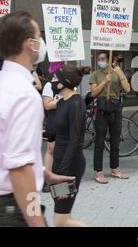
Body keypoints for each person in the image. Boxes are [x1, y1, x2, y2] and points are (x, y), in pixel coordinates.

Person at [0, 11, 74, 227]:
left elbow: (0, 148)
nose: (41, 42)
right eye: (38, 36)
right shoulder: (24, 95)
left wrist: (42, 173)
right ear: (30, 44)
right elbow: (19, 169)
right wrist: (37, 222)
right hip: (7, 210)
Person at [51, 64, 91, 227]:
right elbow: (56, 132)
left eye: (54, 78)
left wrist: (62, 170)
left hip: (69, 167)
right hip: (59, 164)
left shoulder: (76, 103)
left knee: (61, 218)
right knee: (60, 214)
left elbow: (75, 140)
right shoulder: (61, 103)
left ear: (63, 82)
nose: (51, 81)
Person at [90, 51, 131, 184]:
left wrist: (120, 74)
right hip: (102, 110)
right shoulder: (95, 74)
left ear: (109, 60)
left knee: (115, 141)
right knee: (100, 142)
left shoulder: (117, 72)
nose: (100, 60)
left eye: (103, 58)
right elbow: (93, 93)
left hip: (115, 108)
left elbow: (127, 89)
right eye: (98, 59)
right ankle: (99, 171)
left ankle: (115, 168)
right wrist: (104, 82)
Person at [41, 64, 64, 192]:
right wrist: (63, 100)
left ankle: (61, 183)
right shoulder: (49, 86)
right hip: (54, 122)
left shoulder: (69, 85)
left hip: (67, 122)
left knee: (64, 151)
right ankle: (48, 180)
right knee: (51, 150)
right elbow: (47, 105)